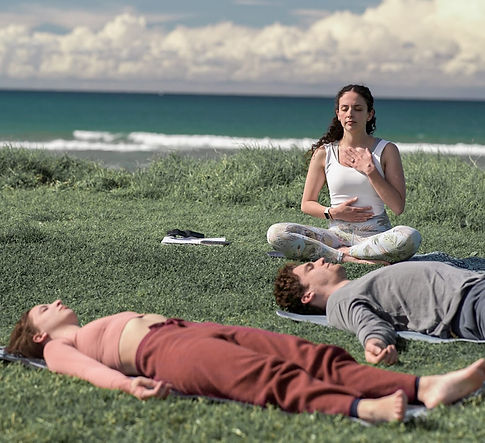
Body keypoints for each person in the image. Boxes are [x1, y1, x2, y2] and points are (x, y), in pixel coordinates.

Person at [7, 301, 485, 423]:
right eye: (43, 308)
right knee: (264, 377)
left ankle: (422, 387)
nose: (55, 301)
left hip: (187, 330)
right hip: (164, 353)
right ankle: (363, 409)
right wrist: (128, 387)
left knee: (311, 354)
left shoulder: (76, 329)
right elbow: (89, 372)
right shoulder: (55, 348)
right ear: (39, 333)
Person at [267, 84, 421, 264]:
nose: (350, 114)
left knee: (410, 236)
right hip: (335, 237)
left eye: (358, 109)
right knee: (276, 233)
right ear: (338, 114)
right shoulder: (324, 153)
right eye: (345, 109)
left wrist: (371, 171)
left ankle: (340, 253)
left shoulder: (386, 150)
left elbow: (397, 207)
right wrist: (332, 212)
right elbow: (307, 203)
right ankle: (347, 257)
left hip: (374, 237)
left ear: (369, 114)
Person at [274, 259, 485, 365]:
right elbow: (365, 323)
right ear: (307, 295)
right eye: (311, 268)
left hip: (473, 287)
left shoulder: (352, 287)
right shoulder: (339, 302)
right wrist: (374, 344)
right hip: (467, 304)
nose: (320, 261)